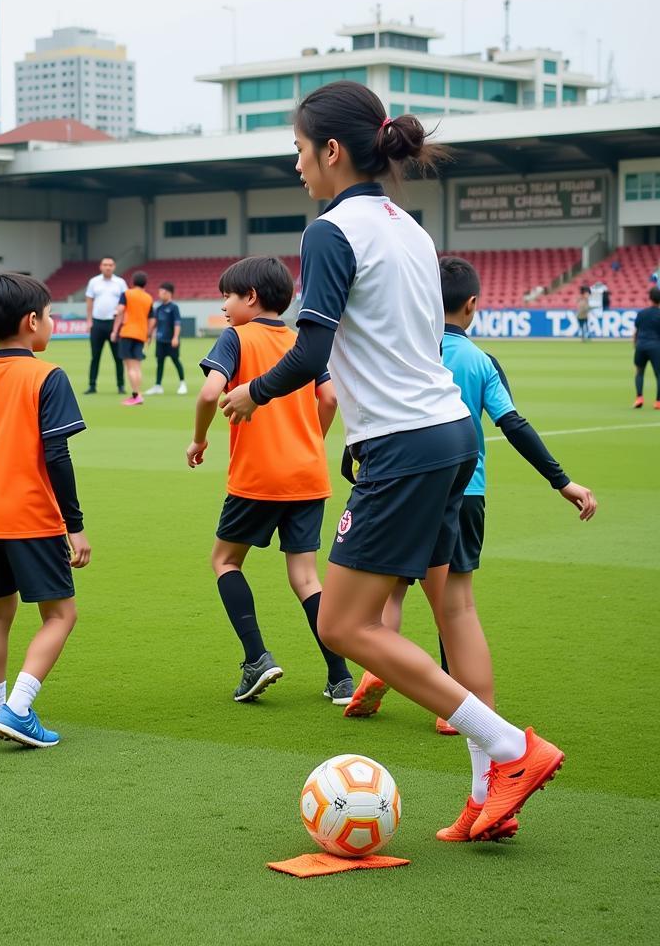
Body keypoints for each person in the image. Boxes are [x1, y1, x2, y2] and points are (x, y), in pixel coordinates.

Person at [221, 81, 586, 842]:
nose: (296, 166)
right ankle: (492, 797)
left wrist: (252, 393)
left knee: (349, 627)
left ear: (329, 150)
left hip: (404, 445)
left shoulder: (330, 230)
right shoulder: (410, 229)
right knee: (452, 606)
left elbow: (312, 349)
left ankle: (512, 749)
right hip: (451, 436)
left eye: (297, 150)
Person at [345, 258, 597, 836]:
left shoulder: (408, 348)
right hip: (466, 490)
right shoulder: (480, 359)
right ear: (474, 306)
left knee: (377, 593)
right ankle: (484, 784)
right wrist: (563, 481)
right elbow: (514, 425)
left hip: (407, 478)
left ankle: (385, 673)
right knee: (457, 608)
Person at [188, 255, 353, 705]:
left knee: (225, 560)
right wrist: (309, 442)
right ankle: (340, 678)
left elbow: (208, 392)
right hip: (307, 475)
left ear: (252, 297)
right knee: (304, 576)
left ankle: (256, 657)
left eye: (228, 295)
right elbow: (330, 398)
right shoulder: (303, 342)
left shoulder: (236, 338)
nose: (223, 305)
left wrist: (199, 439)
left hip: (258, 476)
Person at [0, 273, 90, 748]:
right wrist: (76, 526)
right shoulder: (48, 376)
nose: (51, 322)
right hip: (32, 517)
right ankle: (19, 707)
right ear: (32, 322)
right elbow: (57, 455)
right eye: (49, 315)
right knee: (61, 615)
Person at [111, 270, 155, 406]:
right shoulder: (149, 298)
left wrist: (114, 330)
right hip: (141, 334)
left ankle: (136, 395)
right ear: (145, 283)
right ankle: (138, 394)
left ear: (132, 282)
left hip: (128, 333)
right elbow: (152, 319)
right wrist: (148, 334)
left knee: (129, 367)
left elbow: (119, 311)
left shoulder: (127, 294)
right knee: (137, 367)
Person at [84, 256, 127, 395]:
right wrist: (89, 320)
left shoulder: (120, 283)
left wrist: (123, 321)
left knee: (118, 357)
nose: (108, 267)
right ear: (100, 266)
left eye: (110, 264)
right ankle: (92, 385)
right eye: (105, 264)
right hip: (97, 323)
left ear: (114, 267)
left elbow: (125, 303)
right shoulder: (94, 282)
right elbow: (89, 301)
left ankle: (121, 385)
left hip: (114, 323)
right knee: (95, 356)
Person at [145, 281, 188, 396]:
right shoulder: (158, 308)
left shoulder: (174, 307)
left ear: (169, 293)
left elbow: (177, 323)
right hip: (160, 341)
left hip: (171, 341)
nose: (160, 294)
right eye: (159, 291)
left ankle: (182, 384)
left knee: (176, 361)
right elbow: (155, 324)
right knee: (160, 363)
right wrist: (149, 337)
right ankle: (158, 386)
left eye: (163, 292)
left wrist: (175, 337)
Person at [632, 285, 660, 409]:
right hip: (655, 346)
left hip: (641, 345)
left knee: (639, 372)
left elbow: (635, 332)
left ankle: (639, 398)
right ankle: (658, 402)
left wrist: (635, 345)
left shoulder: (642, 313)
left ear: (650, 298)